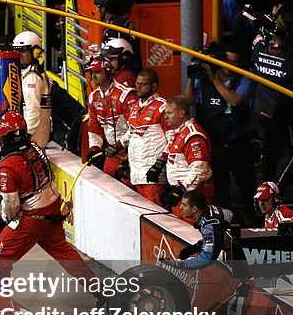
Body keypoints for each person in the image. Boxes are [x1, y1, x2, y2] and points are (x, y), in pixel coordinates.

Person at [0, 112, 95, 289]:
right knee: (64, 252)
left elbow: (10, 205)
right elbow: (22, 162)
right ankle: (98, 289)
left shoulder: (8, 167)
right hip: (53, 208)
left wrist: (3, 222)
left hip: (33, 217)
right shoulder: (34, 145)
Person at [183, 44, 258, 223]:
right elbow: (188, 100)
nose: (231, 65)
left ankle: (256, 220)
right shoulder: (202, 80)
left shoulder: (245, 79)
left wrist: (214, 79)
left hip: (238, 142)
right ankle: (226, 223)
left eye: (235, 62)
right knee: (220, 188)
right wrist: (192, 76)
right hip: (214, 144)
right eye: (227, 61)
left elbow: (235, 100)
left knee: (247, 186)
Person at [250, 29, 293, 185]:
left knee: (268, 152)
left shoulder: (259, 50)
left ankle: (263, 190)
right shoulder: (291, 60)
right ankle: (276, 187)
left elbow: (256, 41)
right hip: (281, 113)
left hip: (259, 111)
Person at [149, 96, 214, 215]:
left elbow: (199, 169)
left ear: (182, 113)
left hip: (193, 195)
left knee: (190, 231)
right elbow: (170, 153)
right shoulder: (177, 132)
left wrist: (181, 190)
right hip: (182, 194)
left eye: (169, 113)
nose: (165, 116)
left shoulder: (193, 135)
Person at [85, 54, 137, 179]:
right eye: (91, 73)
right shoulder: (94, 96)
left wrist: (119, 145)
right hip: (111, 151)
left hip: (130, 150)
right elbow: (94, 127)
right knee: (108, 181)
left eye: (97, 72)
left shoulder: (126, 95)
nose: (93, 76)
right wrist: (94, 149)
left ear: (108, 73)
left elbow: (136, 127)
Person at [122, 68, 168, 205]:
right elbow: (132, 135)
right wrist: (124, 159)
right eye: (137, 84)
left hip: (153, 175)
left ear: (154, 86)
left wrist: (160, 163)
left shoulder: (162, 107)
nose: (138, 87)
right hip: (136, 173)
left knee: (155, 216)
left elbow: (173, 139)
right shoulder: (135, 107)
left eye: (143, 84)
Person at [163, 190, 228, 270]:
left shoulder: (210, 225)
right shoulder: (206, 212)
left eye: (184, 205)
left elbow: (207, 258)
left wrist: (181, 265)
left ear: (194, 209)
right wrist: (197, 246)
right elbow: (217, 237)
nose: (180, 208)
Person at [12, 31, 51, 145]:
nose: (19, 54)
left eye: (23, 51)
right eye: (16, 50)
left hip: (33, 138)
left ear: (35, 52)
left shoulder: (32, 76)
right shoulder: (26, 71)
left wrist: (25, 135)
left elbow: (33, 109)